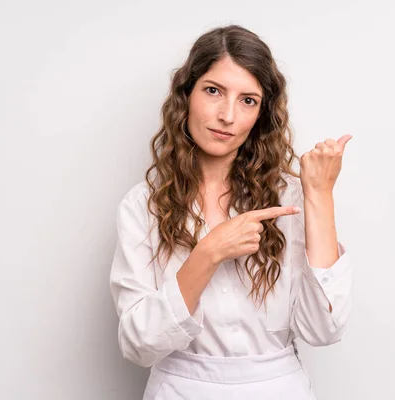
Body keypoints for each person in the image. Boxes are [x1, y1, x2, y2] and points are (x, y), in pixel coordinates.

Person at [110, 24, 353, 400]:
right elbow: (139, 343)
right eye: (213, 91)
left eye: (248, 100)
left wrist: (319, 195)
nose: (227, 115)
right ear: (186, 95)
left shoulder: (290, 198)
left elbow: (325, 329)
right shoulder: (144, 205)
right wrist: (208, 252)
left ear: (261, 115)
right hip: (180, 390)